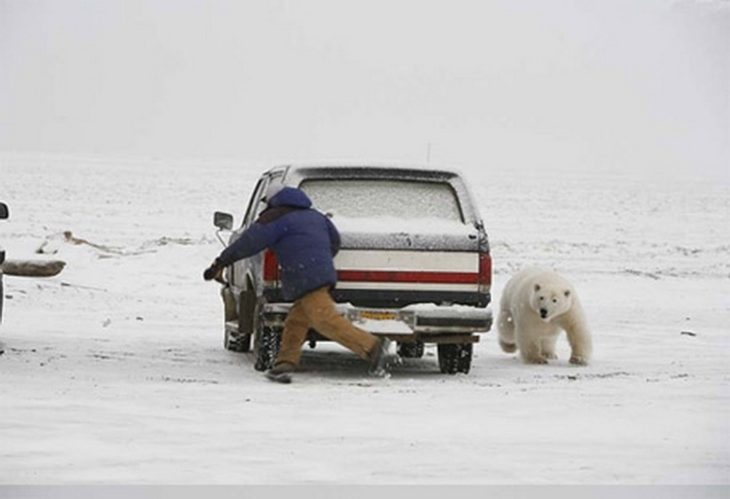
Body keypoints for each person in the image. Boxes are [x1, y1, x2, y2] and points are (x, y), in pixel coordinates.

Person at [203, 183, 391, 383]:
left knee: (325, 320)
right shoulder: (316, 216)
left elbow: (247, 244)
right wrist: (318, 260)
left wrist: (220, 263)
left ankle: (373, 347)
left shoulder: (275, 218)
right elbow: (334, 241)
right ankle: (284, 364)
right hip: (321, 274)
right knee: (296, 321)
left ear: (272, 200)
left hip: (304, 276)